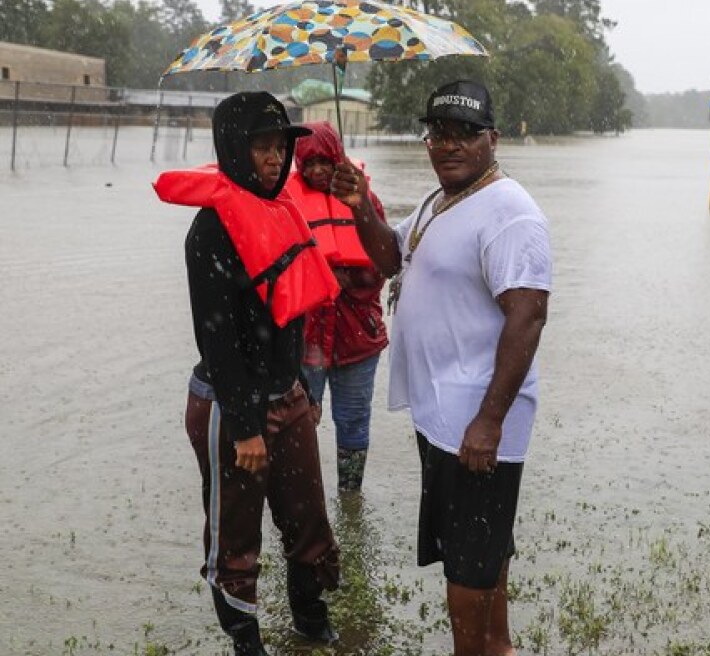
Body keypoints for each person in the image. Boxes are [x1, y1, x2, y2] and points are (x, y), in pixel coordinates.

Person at [330, 79, 551, 656]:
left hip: (476, 424)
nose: (448, 144)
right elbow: (388, 257)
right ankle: (497, 648)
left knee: (469, 567)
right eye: (438, 133)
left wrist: (488, 422)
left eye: (465, 134)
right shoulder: (440, 201)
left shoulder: (511, 213)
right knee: (480, 550)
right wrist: (360, 209)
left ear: (493, 139)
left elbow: (526, 318)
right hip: (443, 418)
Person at [153, 92, 343, 655]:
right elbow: (218, 339)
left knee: (308, 519)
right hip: (228, 405)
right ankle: (246, 641)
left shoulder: (282, 210)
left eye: (281, 147)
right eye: (263, 146)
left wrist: (302, 386)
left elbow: (290, 313)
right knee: (237, 540)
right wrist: (243, 426)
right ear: (235, 150)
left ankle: (309, 618)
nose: (275, 158)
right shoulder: (210, 232)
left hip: (288, 394)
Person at [285, 121, 390, 492]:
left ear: (337, 158)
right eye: (307, 164)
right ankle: (302, 497)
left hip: (357, 338)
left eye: (324, 162)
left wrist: (351, 278)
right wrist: (317, 276)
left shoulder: (366, 200)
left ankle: (350, 496)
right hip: (305, 338)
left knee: (353, 420)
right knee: (296, 420)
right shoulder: (287, 205)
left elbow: (385, 262)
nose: (316, 171)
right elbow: (274, 272)